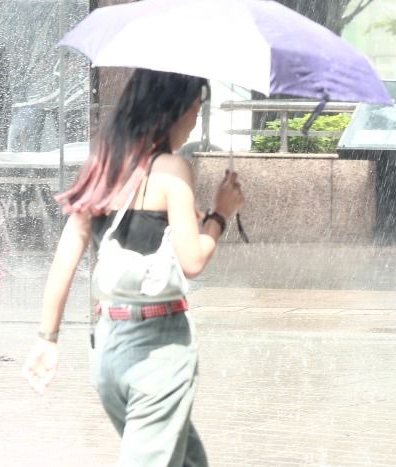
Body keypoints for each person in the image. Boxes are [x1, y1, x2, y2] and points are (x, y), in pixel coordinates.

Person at [22, 69, 244, 467]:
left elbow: (67, 252)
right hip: (158, 348)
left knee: (188, 461)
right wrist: (220, 215)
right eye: (197, 106)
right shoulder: (174, 171)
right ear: (175, 109)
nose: (197, 117)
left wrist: (47, 337)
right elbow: (193, 261)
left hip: (108, 349)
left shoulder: (104, 163)